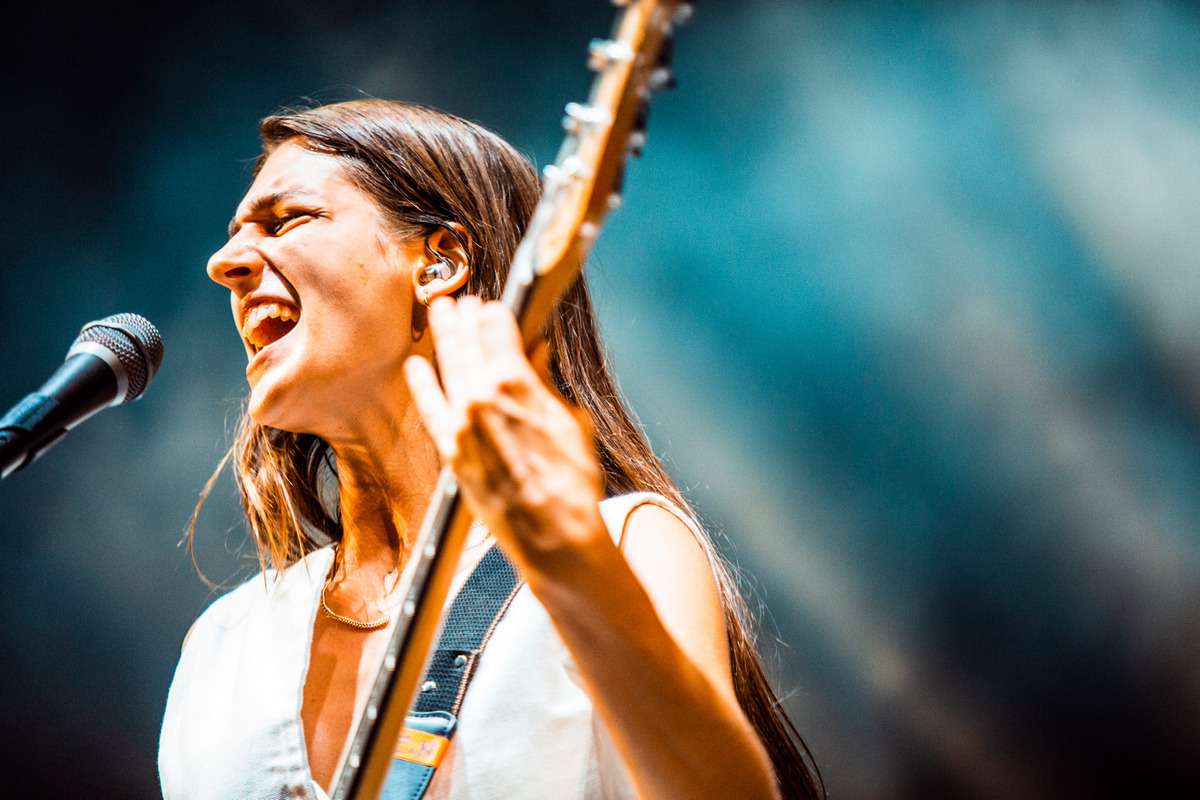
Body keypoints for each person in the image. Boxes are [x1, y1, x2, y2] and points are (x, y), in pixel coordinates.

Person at [159, 99, 823, 800]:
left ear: (439, 261)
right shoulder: (224, 646)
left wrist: (573, 568)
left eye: (285, 220)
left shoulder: (623, 548)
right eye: (235, 234)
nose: (223, 263)